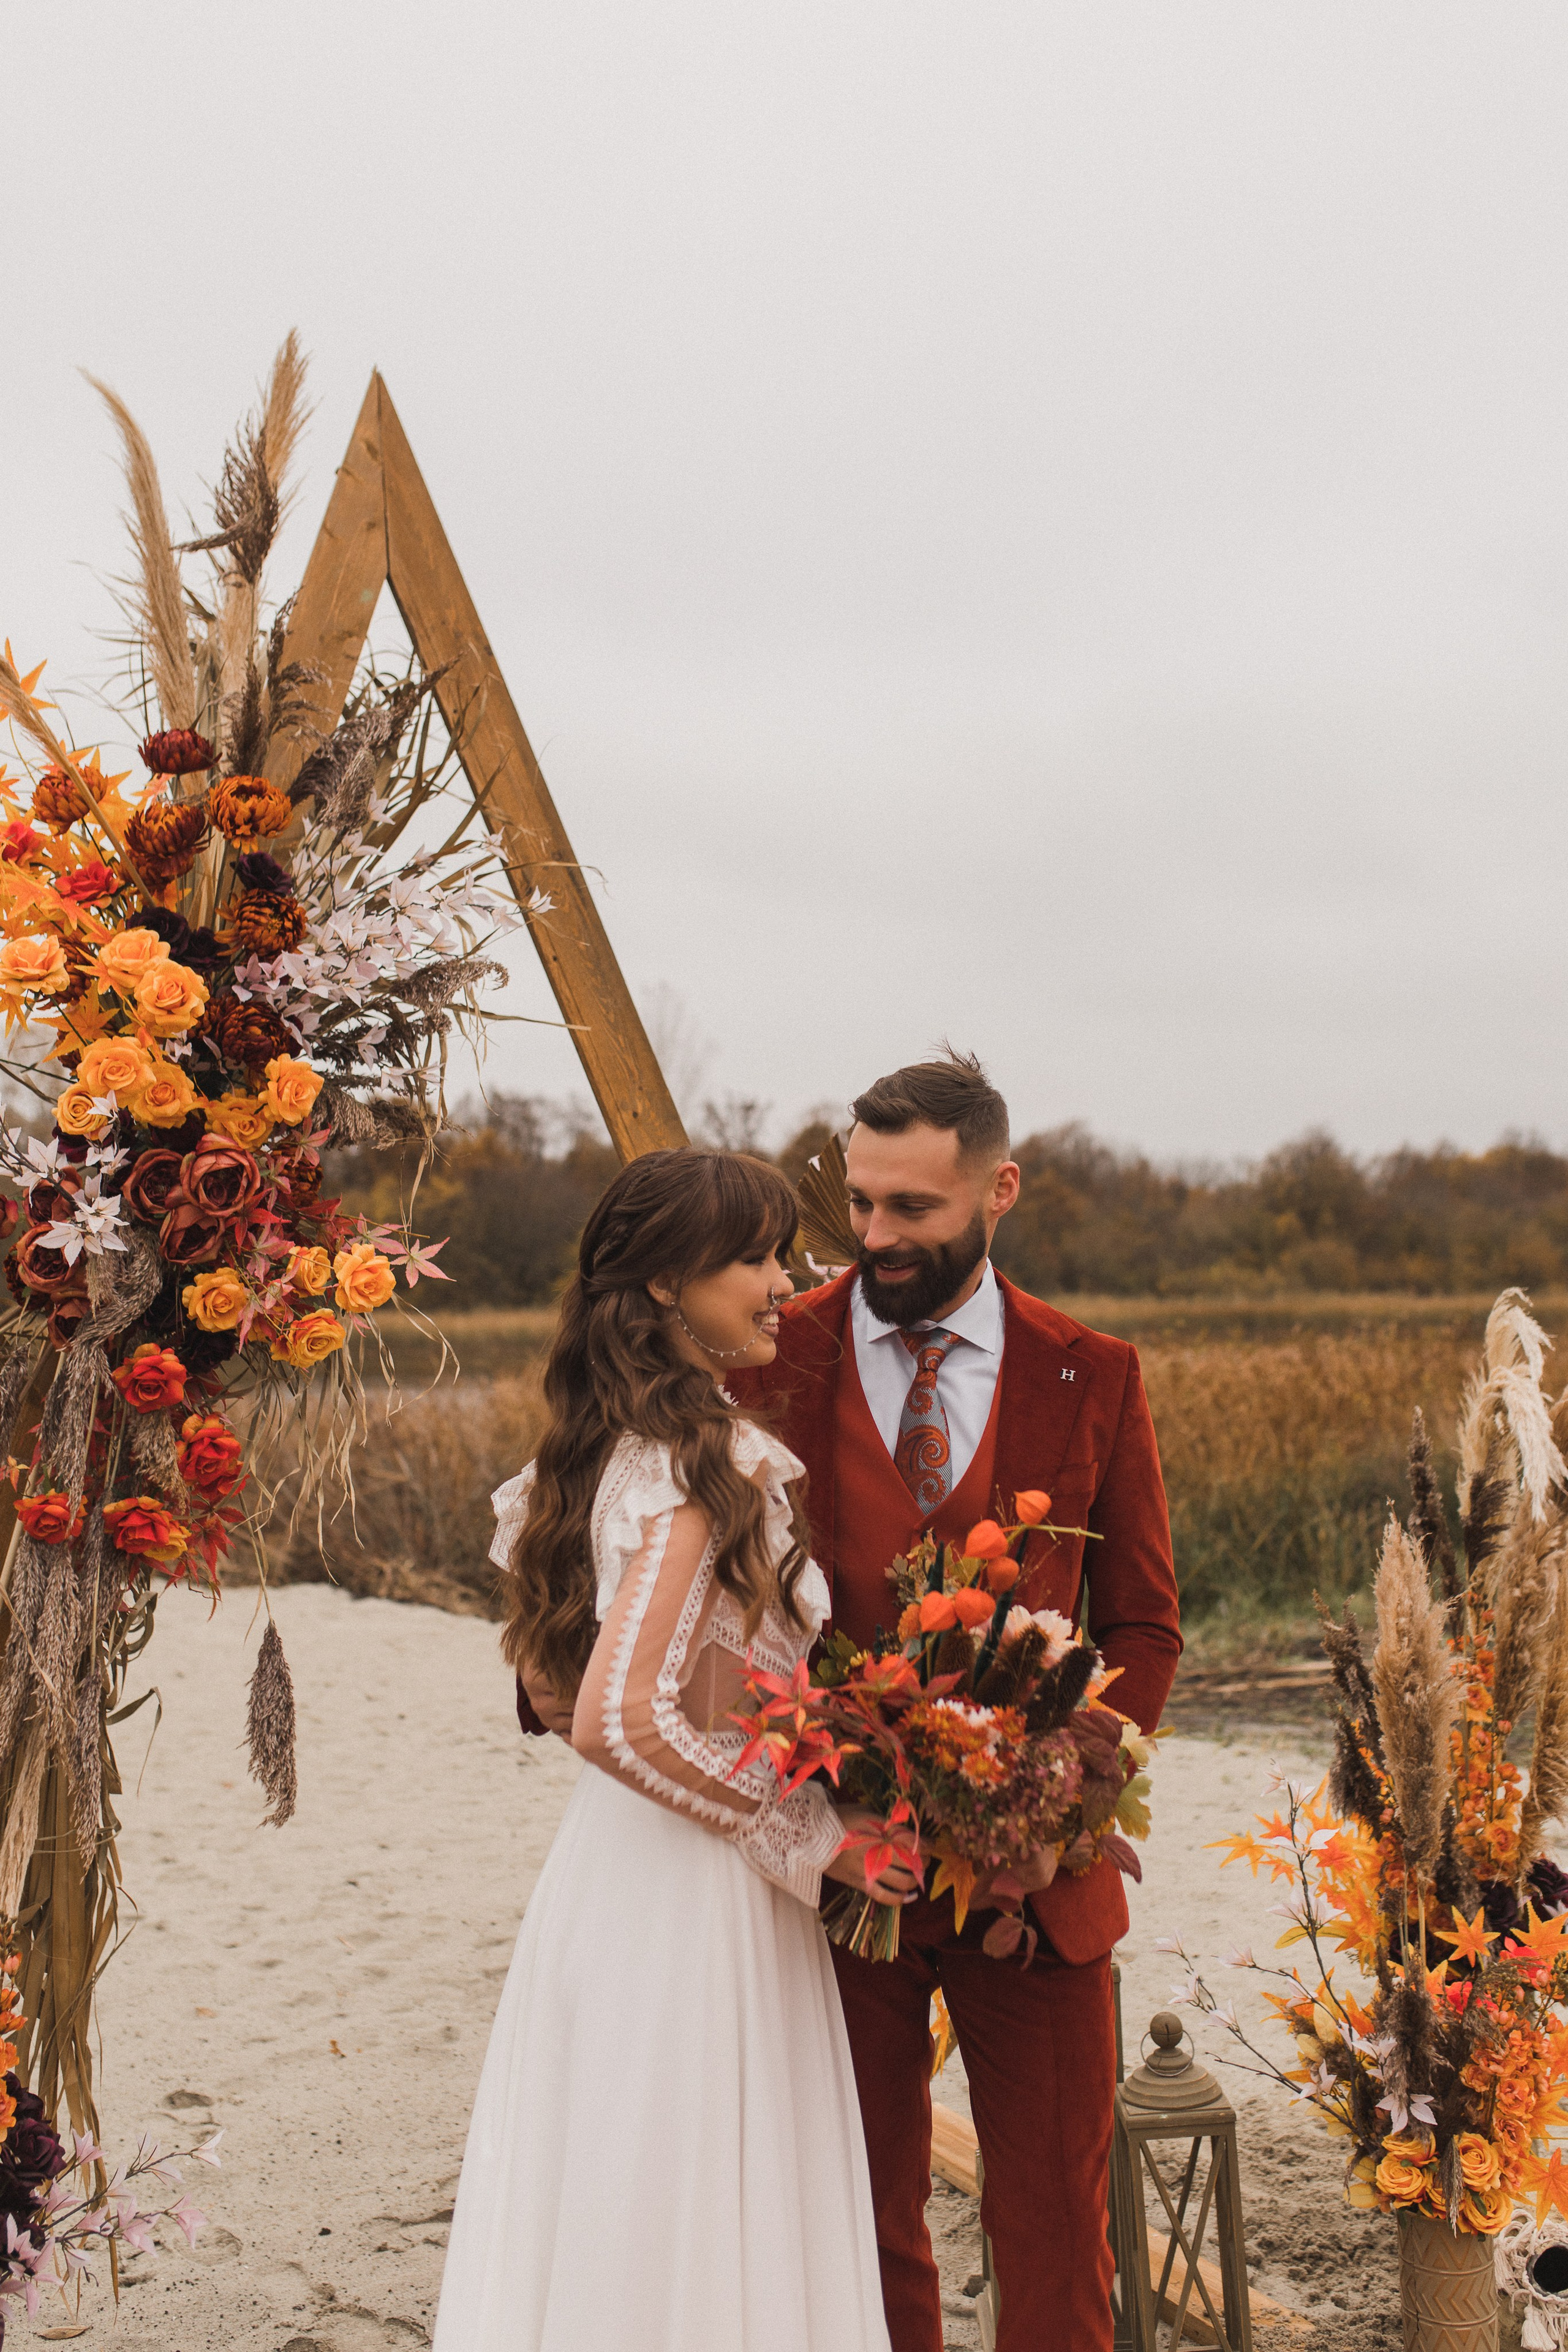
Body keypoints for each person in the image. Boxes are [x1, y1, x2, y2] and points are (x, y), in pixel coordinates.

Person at [729, 1053, 1182, 2352]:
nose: (873, 1236)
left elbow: (1143, 1624)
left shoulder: (1091, 1371)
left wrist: (1065, 1786)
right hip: (833, 1870)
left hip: (1035, 1887)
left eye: (912, 1209)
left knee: (1054, 2224)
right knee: (860, 2220)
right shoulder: (771, 1354)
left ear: (999, 1191)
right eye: (860, 1202)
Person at [433, 1147, 907, 2352]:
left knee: (620, 2191)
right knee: (698, 2196)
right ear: (661, 1285)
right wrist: (816, 1834)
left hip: (610, 1871)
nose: (782, 1283)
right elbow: (616, 1716)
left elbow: (557, 1682)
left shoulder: (593, 1453)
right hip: (696, 1896)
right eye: (752, 1259)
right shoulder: (704, 1465)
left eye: (780, 1255)